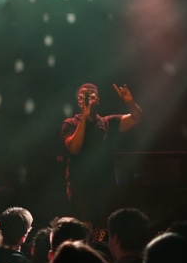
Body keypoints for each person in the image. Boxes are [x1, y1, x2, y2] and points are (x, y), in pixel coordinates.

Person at [61, 82, 143, 233]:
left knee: (103, 230)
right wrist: (84, 117)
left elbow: (136, 118)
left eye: (91, 95)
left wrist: (129, 102)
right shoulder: (70, 123)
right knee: (83, 231)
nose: (87, 99)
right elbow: (74, 148)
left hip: (104, 188)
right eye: (83, 96)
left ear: (98, 100)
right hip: (81, 189)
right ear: (78, 101)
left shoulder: (107, 122)